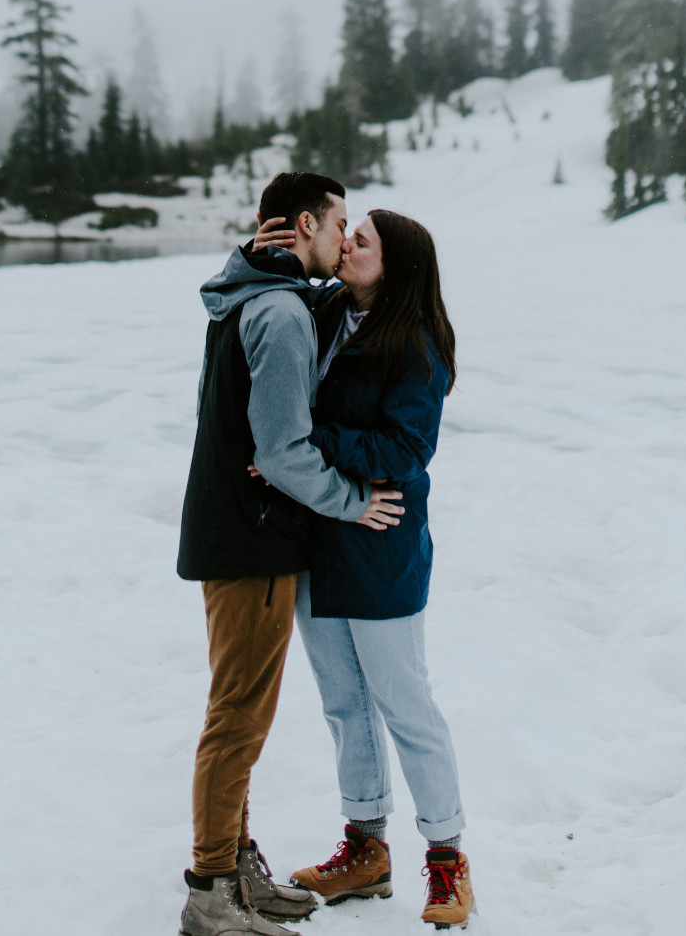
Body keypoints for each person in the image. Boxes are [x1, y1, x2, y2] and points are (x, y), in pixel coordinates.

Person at [176, 172, 405, 936]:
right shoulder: (277, 312)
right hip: (254, 534)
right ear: (305, 222)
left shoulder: (258, 294)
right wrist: (354, 502)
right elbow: (281, 453)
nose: (347, 238)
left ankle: (238, 869)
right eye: (339, 223)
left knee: (239, 710)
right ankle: (212, 890)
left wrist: (249, 255)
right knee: (238, 715)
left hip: (240, 527)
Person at [285, 209, 474, 929]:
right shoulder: (327, 311)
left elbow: (402, 452)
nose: (346, 245)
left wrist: (308, 440)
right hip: (320, 541)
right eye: (346, 232)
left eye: (361, 240)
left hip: (382, 548)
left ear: (393, 266)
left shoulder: (414, 348)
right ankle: (365, 847)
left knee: (403, 702)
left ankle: (447, 858)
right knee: (343, 701)